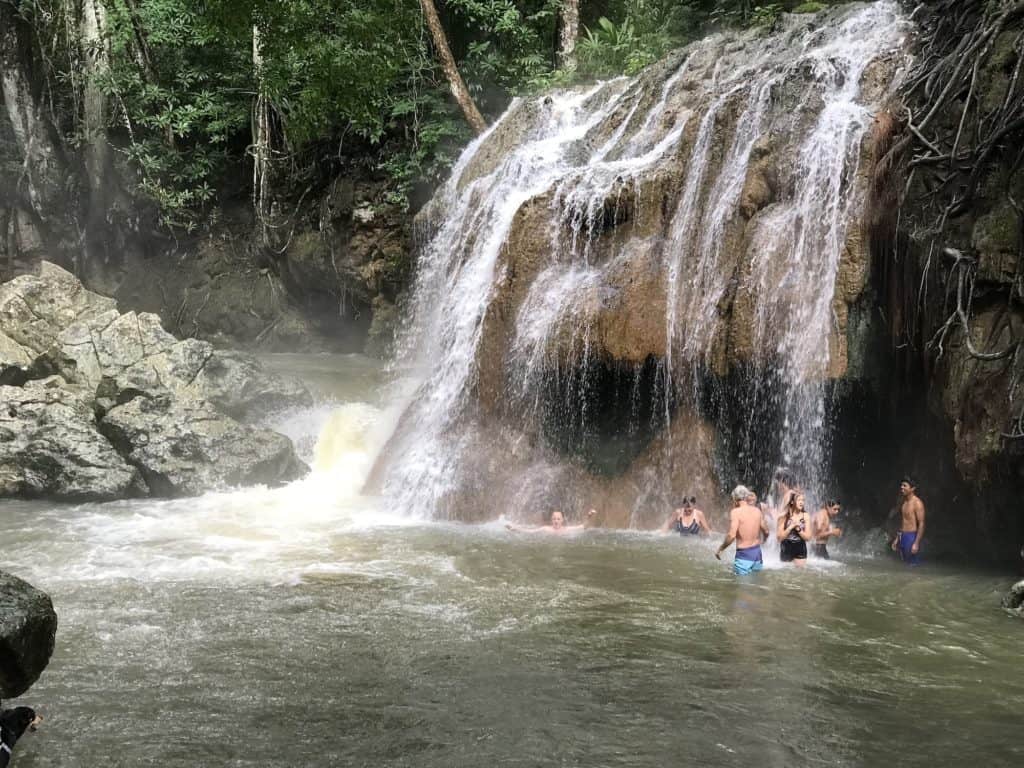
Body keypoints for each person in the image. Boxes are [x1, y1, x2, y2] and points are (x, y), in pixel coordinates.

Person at [716, 485, 771, 575]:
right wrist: (764, 541)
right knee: (756, 585)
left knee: (741, 587)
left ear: (735, 499)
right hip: (757, 554)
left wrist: (721, 549)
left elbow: (731, 535)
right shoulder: (757, 511)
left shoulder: (735, 512)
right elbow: (766, 531)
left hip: (744, 555)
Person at [892, 477, 925, 565]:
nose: (901, 487)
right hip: (903, 537)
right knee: (905, 565)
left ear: (912, 488)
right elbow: (903, 522)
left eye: (905, 485)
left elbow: (921, 524)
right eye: (901, 485)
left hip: (912, 537)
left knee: (914, 566)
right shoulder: (904, 502)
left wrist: (916, 543)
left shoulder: (917, 503)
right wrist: (897, 539)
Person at [777, 491, 812, 566]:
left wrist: (798, 529)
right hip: (786, 546)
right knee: (785, 574)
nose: (801, 502)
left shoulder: (805, 516)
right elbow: (779, 538)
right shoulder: (783, 517)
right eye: (799, 500)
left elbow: (808, 538)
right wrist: (790, 527)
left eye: (803, 500)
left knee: (799, 575)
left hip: (800, 547)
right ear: (792, 502)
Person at [506, 508, 596, 534]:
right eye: (554, 519)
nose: (556, 521)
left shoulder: (567, 530)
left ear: (562, 520)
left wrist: (589, 516)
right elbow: (530, 532)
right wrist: (514, 529)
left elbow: (583, 526)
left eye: (558, 519)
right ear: (551, 521)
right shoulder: (546, 529)